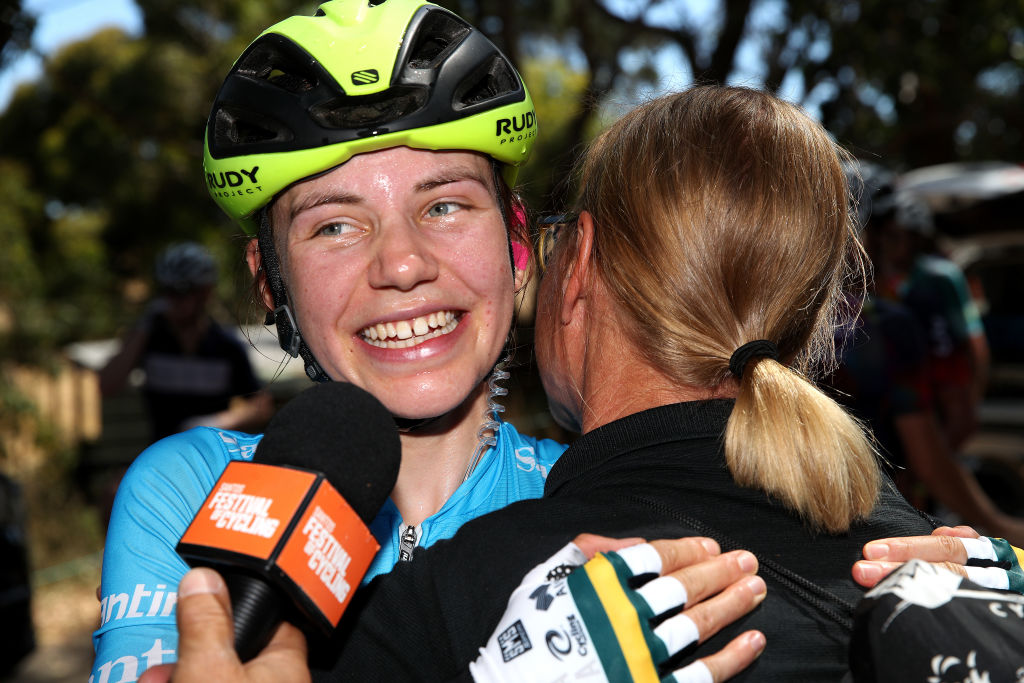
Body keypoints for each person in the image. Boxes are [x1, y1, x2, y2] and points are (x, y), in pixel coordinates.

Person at [99, 242, 274, 441]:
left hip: (207, 455)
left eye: (184, 290)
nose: (175, 299)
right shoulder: (150, 339)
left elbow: (261, 406)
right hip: (160, 454)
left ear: (206, 292)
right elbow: (106, 386)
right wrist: (143, 326)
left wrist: (216, 422)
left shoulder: (226, 346)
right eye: (168, 290)